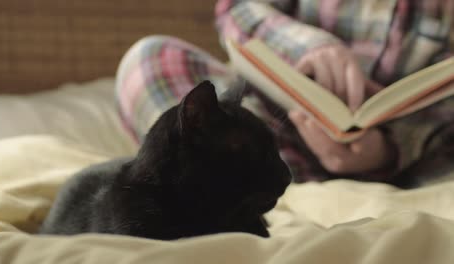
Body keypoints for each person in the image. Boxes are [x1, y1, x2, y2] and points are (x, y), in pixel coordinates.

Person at [115, 0, 454, 186]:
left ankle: (259, 188)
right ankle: (253, 183)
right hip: (265, 130)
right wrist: (310, 46)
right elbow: (237, 9)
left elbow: (441, 110)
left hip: (395, 161)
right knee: (150, 61)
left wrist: (383, 153)